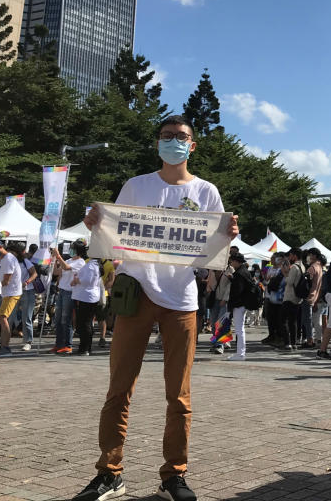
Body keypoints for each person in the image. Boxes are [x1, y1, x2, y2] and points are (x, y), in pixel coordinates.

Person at [73, 115, 238, 501]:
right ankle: (109, 472)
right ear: (157, 143)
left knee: (179, 395)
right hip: (137, 293)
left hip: (181, 299)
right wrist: (94, 223)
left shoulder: (206, 191)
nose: (174, 142)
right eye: (167, 136)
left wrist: (227, 235)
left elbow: (212, 247)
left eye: (181, 137)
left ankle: (174, 476)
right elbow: (113, 233)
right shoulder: (136, 185)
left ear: (192, 146)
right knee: (119, 389)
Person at [0, 241, 23, 357]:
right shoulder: (2, 259)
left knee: (3, 318)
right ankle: (3, 344)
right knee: (1, 319)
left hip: (11, 293)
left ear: (0, 247)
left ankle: (5, 346)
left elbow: (6, 281)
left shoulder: (8, 259)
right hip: (6, 293)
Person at [53, 242, 86, 354]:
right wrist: (54, 259)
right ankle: (58, 344)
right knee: (57, 320)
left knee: (65, 319)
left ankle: (68, 345)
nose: (70, 250)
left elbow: (66, 268)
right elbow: (57, 271)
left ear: (78, 250)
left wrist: (58, 256)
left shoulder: (80, 262)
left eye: (72, 248)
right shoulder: (68, 260)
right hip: (61, 291)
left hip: (70, 293)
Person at [71, 251, 102, 356]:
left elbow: (86, 281)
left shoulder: (91, 266)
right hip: (89, 296)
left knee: (84, 323)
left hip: (87, 297)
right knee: (86, 323)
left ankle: (85, 348)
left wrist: (76, 279)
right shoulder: (95, 264)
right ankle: (85, 347)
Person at [226, 255, 252, 361]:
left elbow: (237, 292)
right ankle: (240, 353)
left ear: (237, 262)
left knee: (239, 330)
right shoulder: (245, 271)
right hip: (244, 304)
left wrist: (230, 306)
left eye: (232, 262)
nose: (231, 264)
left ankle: (240, 353)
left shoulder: (239, 273)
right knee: (240, 329)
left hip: (239, 304)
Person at [301, 249, 324, 348]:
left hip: (308, 295)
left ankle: (310, 340)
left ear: (314, 256)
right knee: (309, 319)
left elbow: (306, 280)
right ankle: (311, 339)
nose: (309, 257)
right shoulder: (320, 267)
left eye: (310, 255)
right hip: (315, 296)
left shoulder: (312, 267)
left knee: (307, 320)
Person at [280, 251, 303, 350]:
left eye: (290, 255)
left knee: (283, 320)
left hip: (290, 297)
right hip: (298, 297)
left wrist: (285, 273)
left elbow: (289, 282)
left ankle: (287, 343)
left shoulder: (294, 267)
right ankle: (293, 343)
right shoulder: (302, 266)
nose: (289, 258)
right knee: (293, 321)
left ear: (294, 255)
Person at [18, 245, 39, 351]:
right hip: (14, 292)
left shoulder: (26, 262)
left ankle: (28, 341)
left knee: (26, 317)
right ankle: (3, 342)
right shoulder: (11, 261)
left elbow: (34, 274)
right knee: (9, 317)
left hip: (27, 291)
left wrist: (27, 282)